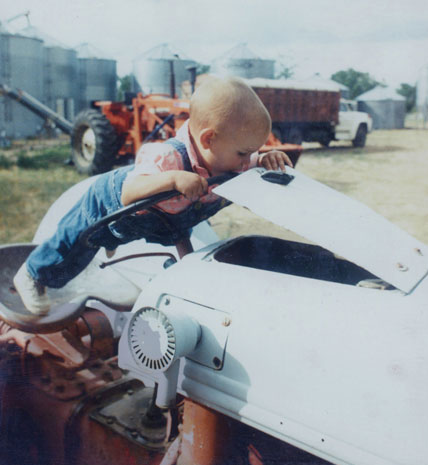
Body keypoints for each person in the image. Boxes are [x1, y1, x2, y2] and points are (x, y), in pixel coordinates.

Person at [14, 76, 293, 315]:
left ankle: (189, 277)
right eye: (244, 153)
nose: (247, 162)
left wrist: (267, 159)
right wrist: (172, 179)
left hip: (164, 221)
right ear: (208, 139)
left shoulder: (226, 158)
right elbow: (128, 195)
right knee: (75, 247)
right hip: (109, 203)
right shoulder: (169, 159)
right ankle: (31, 275)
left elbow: (184, 224)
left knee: (177, 232)